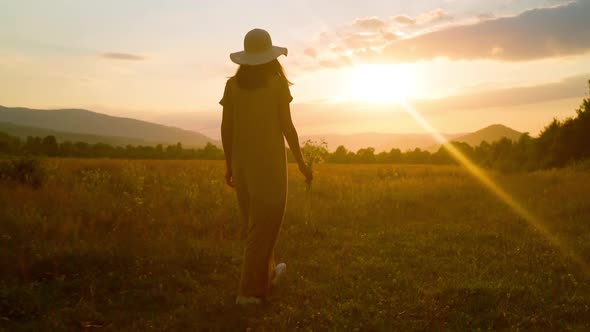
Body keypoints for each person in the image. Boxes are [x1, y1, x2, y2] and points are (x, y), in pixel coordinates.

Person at [220, 28, 313, 305]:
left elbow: (227, 127)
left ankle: (268, 275)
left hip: (243, 165)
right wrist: (301, 163)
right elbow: (287, 127)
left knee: (255, 225)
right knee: (264, 228)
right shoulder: (276, 84)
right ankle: (248, 294)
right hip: (270, 167)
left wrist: (229, 165)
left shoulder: (232, 86)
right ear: (271, 56)